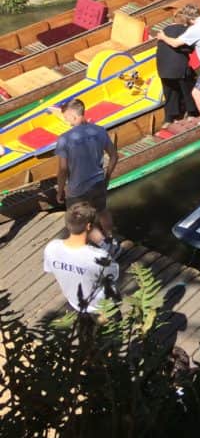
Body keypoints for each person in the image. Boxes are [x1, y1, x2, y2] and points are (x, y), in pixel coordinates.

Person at [55, 98, 119, 254]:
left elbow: (63, 169)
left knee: (80, 221)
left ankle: (105, 247)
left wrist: (60, 191)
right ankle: (112, 239)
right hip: (98, 182)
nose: (67, 122)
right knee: (103, 211)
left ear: (73, 115)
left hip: (77, 189)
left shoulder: (65, 139)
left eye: (67, 118)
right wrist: (107, 178)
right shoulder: (99, 130)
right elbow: (114, 156)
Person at [43, 201, 119, 315]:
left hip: (74, 302)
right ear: (89, 226)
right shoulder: (99, 256)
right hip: (101, 305)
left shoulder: (51, 247)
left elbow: (49, 269)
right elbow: (114, 275)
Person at [155, 9, 198, 125]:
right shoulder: (185, 30)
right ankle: (192, 113)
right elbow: (190, 48)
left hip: (162, 69)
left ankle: (169, 118)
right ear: (185, 22)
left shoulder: (163, 31)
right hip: (178, 68)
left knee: (169, 92)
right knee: (188, 89)